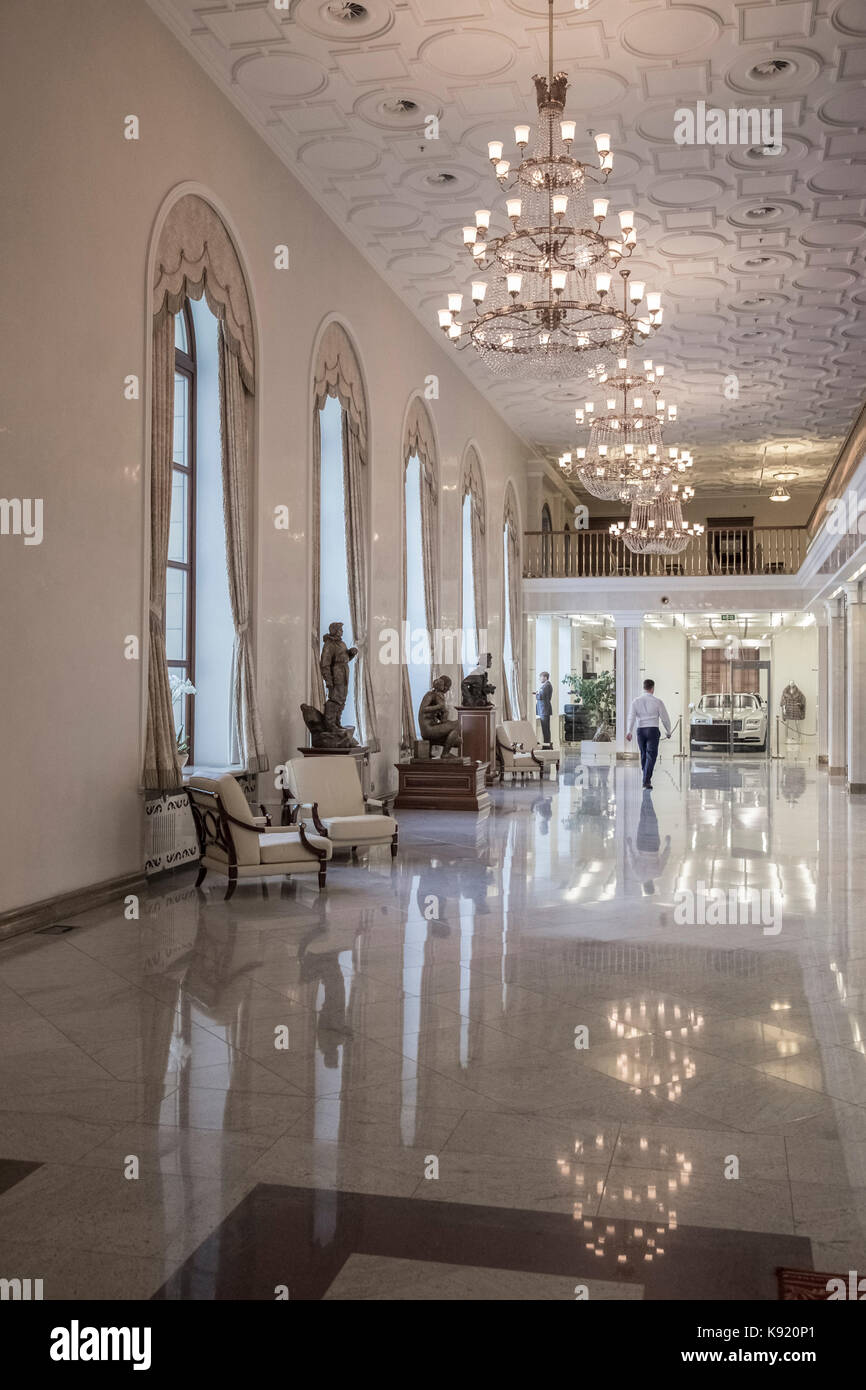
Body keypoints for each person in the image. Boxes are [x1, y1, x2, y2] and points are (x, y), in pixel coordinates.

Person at [626, 677, 671, 790]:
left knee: (643, 754)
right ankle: (646, 780)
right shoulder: (657, 701)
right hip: (652, 730)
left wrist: (629, 731)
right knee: (651, 755)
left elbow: (631, 717)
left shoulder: (636, 701)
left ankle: (645, 776)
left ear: (644, 687)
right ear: (652, 688)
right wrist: (668, 730)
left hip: (640, 730)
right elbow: (665, 718)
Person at [534, 671, 553, 746]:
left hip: (544, 710)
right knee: (545, 728)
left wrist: (536, 694)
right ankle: (547, 743)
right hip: (544, 709)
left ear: (545, 677)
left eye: (540, 677)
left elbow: (540, 696)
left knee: (545, 728)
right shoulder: (546, 685)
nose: (539, 679)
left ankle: (547, 744)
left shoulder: (546, 686)